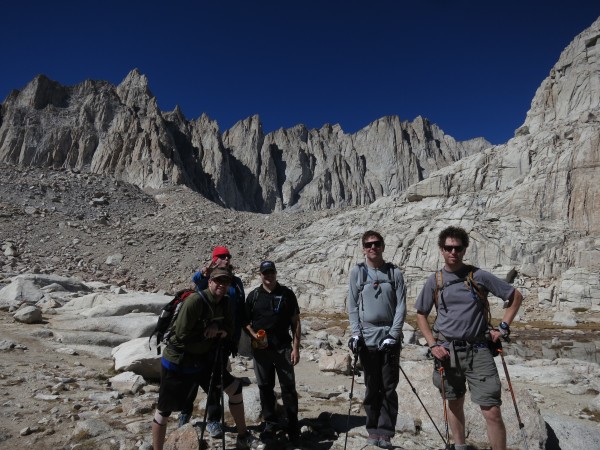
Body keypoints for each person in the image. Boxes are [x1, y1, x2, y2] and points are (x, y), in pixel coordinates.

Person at [415, 226, 523, 450]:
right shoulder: (434, 281)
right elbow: (421, 315)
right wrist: (432, 344)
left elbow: (515, 296)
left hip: (479, 351)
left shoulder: (478, 276)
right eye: (448, 248)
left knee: (491, 409)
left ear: (464, 250)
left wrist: (503, 327)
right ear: (441, 250)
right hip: (447, 352)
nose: (453, 252)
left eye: (457, 248)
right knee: (454, 402)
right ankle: (460, 446)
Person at [151, 268, 261, 450]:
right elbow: (181, 335)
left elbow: (229, 328)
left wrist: (218, 328)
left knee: (234, 389)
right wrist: (208, 331)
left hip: (203, 359)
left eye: (225, 282)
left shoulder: (225, 302)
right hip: (179, 361)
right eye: (218, 281)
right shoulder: (194, 301)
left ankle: (243, 436)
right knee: (164, 411)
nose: (221, 285)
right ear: (209, 282)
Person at [347, 230, 406, 449]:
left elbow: (401, 305)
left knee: (389, 386)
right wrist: (355, 333)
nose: (373, 247)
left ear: (383, 246)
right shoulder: (358, 273)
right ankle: (372, 429)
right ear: (363, 248)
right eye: (369, 244)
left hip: (389, 337)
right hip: (367, 338)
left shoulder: (394, 273)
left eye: (377, 244)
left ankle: (386, 431)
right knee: (372, 385)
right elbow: (352, 305)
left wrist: (394, 334)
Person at [180, 245, 246, 438]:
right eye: (221, 256)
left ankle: (214, 420)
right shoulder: (206, 277)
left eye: (227, 256)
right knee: (192, 377)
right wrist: (204, 272)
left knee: (216, 379)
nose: (225, 258)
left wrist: (234, 338)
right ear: (214, 258)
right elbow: (194, 287)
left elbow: (239, 309)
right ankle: (185, 414)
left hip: (224, 338)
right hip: (202, 338)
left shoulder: (236, 282)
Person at [244, 261, 301, 442]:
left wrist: (296, 347)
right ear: (260, 275)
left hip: (283, 348)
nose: (268, 276)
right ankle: (270, 423)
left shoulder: (287, 294)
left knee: (288, 388)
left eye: (271, 272)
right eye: (265, 273)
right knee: (265, 387)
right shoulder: (253, 296)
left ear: (276, 273)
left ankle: (293, 424)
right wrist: (254, 336)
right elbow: (245, 322)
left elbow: (296, 321)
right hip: (261, 351)